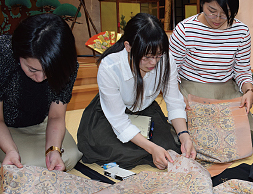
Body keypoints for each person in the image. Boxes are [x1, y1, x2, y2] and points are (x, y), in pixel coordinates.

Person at [169, 0, 253, 148]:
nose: (217, 19)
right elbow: (170, 73)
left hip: (226, 93)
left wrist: (249, 91)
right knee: (201, 141)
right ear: (202, 0)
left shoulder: (241, 31)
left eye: (225, 13)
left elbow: (241, 70)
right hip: (192, 94)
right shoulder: (185, 30)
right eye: (212, 11)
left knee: (243, 140)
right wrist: (178, 96)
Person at [77, 13, 196, 170]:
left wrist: (184, 136)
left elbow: (174, 100)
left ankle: (150, 149)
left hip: (144, 110)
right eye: (146, 57)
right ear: (128, 46)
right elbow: (118, 121)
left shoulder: (167, 60)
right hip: (108, 114)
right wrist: (152, 148)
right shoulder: (110, 67)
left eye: (158, 56)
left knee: (169, 147)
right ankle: (148, 151)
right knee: (103, 146)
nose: (153, 63)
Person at [0, 13, 82, 171]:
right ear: (18, 55)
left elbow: (56, 116)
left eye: (49, 73)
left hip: (38, 124)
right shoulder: (3, 54)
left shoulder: (66, 66)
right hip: (4, 125)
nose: (40, 78)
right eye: (32, 69)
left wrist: (54, 150)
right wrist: (10, 150)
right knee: (26, 164)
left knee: (69, 155)